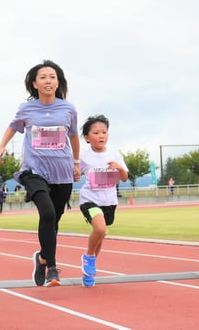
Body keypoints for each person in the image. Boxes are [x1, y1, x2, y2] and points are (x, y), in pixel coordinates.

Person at [0, 60, 80, 287]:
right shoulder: (26, 109)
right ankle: (52, 268)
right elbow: (13, 126)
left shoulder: (68, 109)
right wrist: (2, 146)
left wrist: (75, 163)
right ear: (34, 84)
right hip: (34, 171)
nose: (48, 81)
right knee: (48, 212)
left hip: (62, 172)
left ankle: (42, 257)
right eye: (43, 77)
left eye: (52, 77)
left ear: (58, 81)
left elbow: (73, 137)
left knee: (54, 222)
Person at [78, 115, 128, 287]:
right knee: (100, 229)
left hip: (109, 200)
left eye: (104, 132)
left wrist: (119, 167)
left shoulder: (114, 154)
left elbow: (124, 178)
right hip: (90, 200)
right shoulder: (83, 156)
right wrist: (75, 173)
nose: (101, 136)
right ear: (87, 137)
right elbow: (74, 173)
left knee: (102, 234)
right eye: (96, 132)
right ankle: (88, 257)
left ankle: (89, 269)